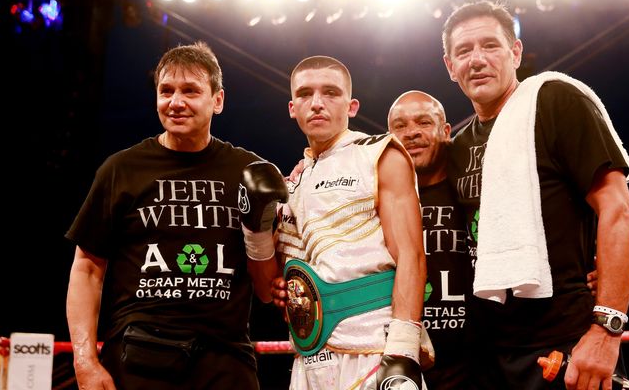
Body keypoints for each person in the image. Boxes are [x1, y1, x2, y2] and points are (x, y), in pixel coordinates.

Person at [65, 41, 287, 390]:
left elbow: (263, 291)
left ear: (218, 100)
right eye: (166, 91)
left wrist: (259, 231)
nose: (176, 102)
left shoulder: (248, 170)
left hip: (225, 358)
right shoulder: (122, 169)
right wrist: (84, 360)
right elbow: (87, 269)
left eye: (190, 91)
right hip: (139, 352)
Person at [441, 0, 629, 390]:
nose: (477, 60)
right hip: (487, 351)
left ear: (515, 53)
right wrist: (310, 166)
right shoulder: (457, 147)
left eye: (490, 46)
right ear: (449, 66)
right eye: (464, 51)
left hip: (566, 342)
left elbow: (619, 211)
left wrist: (607, 329)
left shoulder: (554, 101)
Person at [271, 55, 430, 390]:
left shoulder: (378, 154)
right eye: (304, 94)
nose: (316, 103)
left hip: (374, 348)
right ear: (291, 107)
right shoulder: (291, 185)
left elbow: (411, 256)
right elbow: (271, 285)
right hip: (309, 355)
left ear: (352, 105)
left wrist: (402, 350)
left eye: (330, 92)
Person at [387, 90, 478, 390]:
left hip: (477, 363)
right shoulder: (375, 197)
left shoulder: (474, 188)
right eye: (400, 126)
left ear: (445, 131)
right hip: (402, 359)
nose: (411, 133)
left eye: (423, 122)